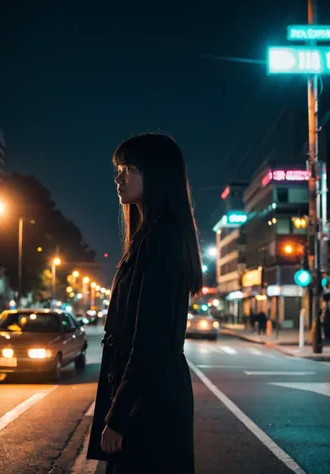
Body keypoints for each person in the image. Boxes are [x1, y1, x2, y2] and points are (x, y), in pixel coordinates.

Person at [86, 133, 202, 474]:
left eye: (129, 168)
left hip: (149, 406)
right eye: (119, 169)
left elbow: (149, 341)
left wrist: (118, 417)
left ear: (155, 174)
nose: (119, 178)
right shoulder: (150, 236)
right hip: (151, 399)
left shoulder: (161, 240)